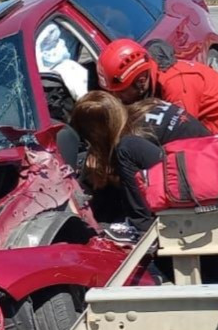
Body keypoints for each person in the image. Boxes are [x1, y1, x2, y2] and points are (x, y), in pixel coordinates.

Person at [96, 39, 218, 134]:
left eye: (121, 92)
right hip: (212, 128)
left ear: (141, 81)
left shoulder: (176, 85)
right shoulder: (154, 77)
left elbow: (184, 136)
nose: (118, 98)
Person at [69, 91, 165, 239]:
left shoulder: (135, 139)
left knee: (124, 153)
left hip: (183, 183)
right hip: (196, 164)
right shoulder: (141, 113)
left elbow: (142, 179)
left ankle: (140, 227)